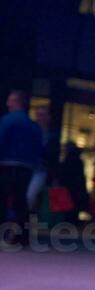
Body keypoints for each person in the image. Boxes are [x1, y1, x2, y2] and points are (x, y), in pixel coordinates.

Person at [0, 90, 43, 242]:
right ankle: (23, 235)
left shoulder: (7, 120)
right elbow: (39, 148)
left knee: (3, 197)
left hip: (7, 163)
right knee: (20, 199)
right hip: (27, 166)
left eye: (10, 101)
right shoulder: (33, 126)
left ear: (17, 102)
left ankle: (4, 231)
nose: (7, 104)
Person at [57, 142, 89, 226]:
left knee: (69, 206)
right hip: (76, 186)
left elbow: (63, 173)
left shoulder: (67, 159)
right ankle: (72, 220)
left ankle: (69, 220)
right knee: (74, 205)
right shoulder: (77, 160)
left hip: (69, 186)